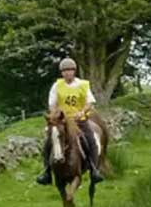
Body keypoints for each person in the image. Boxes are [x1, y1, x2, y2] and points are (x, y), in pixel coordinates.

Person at [36, 57, 104, 185]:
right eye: (64, 71)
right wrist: (54, 115)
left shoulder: (83, 85)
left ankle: (94, 170)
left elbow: (90, 103)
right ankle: (46, 172)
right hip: (62, 121)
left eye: (70, 70)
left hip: (80, 120)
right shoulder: (57, 86)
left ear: (74, 71)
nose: (67, 73)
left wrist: (82, 112)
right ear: (61, 73)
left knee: (91, 141)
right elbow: (52, 104)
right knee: (48, 143)